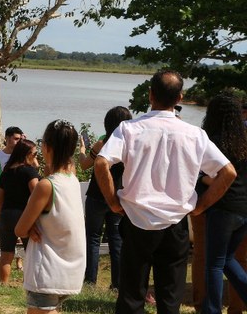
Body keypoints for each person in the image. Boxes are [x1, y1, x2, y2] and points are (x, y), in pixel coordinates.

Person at [95, 69, 236, 313]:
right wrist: (200, 207)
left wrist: (112, 201)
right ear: (180, 98)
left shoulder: (129, 129)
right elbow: (228, 172)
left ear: (150, 95)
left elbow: (100, 163)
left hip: (137, 219)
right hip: (175, 223)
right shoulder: (195, 134)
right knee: (170, 299)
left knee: (130, 297)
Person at [15, 120, 86, 313]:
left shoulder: (46, 185)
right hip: (70, 267)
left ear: (46, 147)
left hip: (46, 269)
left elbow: (19, 229)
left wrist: (30, 227)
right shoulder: (72, 179)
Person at [201, 93, 247, 314]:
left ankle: (212, 311)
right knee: (227, 258)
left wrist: (200, 179)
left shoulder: (214, 142)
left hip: (223, 208)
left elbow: (215, 178)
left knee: (214, 264)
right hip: (243, 208)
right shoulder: (244, 140)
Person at [78, 106, 131, 290]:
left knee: (93, 238)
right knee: (116, 240)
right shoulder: (130, 146)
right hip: (118, 197)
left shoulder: (102, 144)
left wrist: (82, 150)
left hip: (96, 195)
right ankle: (117, 284)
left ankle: (90, 281)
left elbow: (84, 165)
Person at [0, 138, 39, 285]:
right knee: (32, 253)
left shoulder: (5, 173)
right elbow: (36, 194)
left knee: (6, 255)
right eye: (34, 154)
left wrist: (1, 216)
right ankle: (33, 284)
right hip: (24, 216)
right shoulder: (29, 172)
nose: (36, 158)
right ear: (26, 154)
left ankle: (3, 284)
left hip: (6, 215)